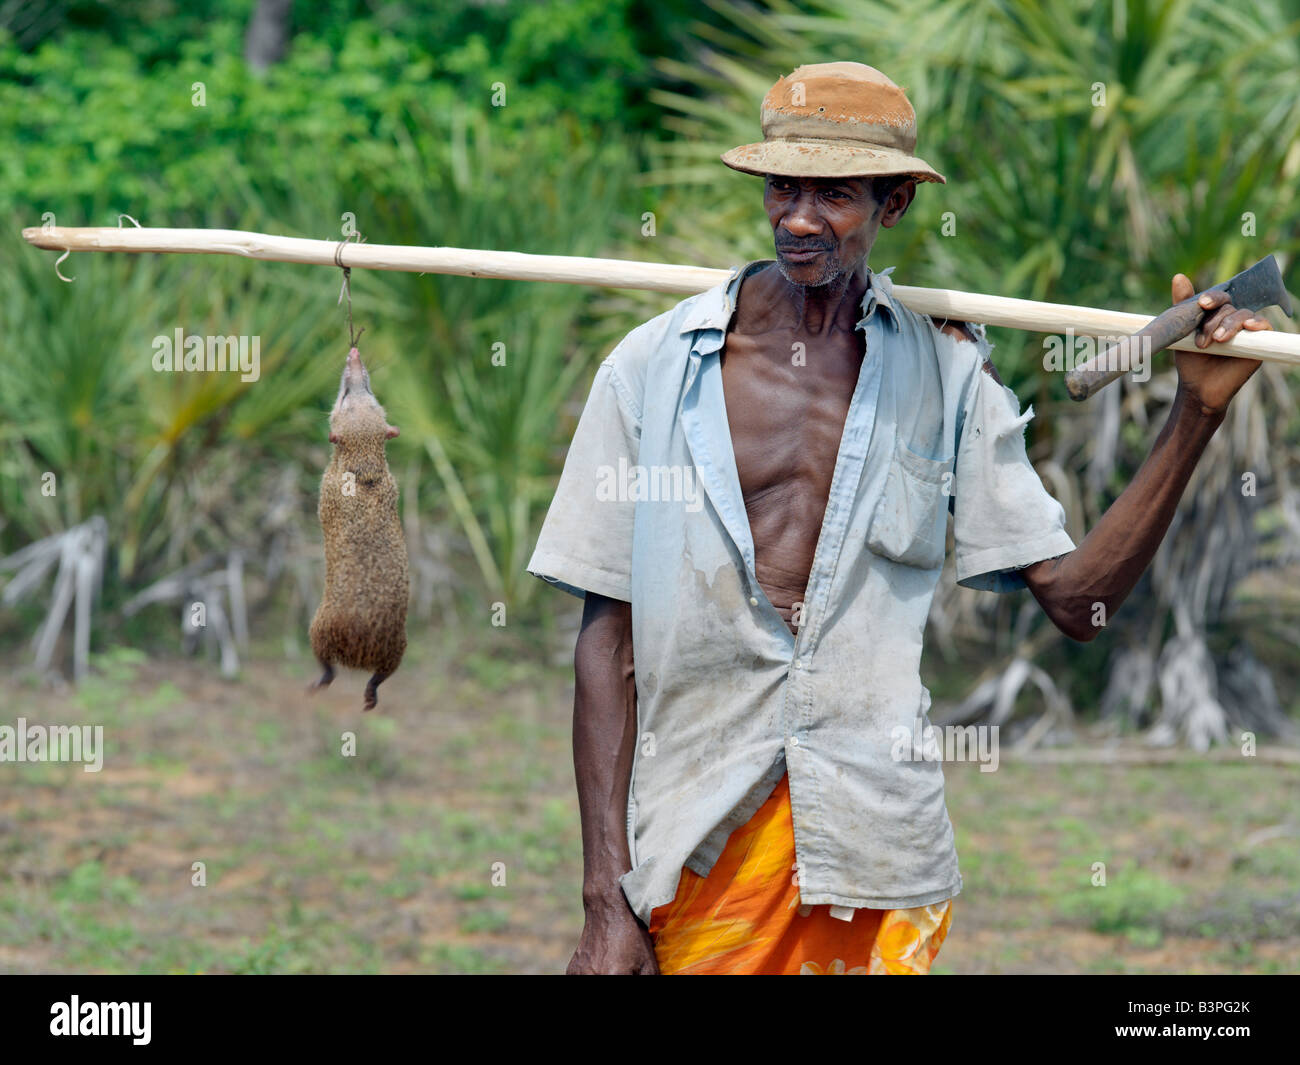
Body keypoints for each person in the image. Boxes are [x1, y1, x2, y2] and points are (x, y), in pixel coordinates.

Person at [527, 62, 1273, 975]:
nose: (799, 218)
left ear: (894, 207)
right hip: (692, 846)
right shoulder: (650, 369)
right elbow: (608, 642)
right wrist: (605, 897)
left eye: (834, 192)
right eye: (783, 187)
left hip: (876, 852)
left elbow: (1080, 603)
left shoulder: (951, 378)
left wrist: (1195, 412)